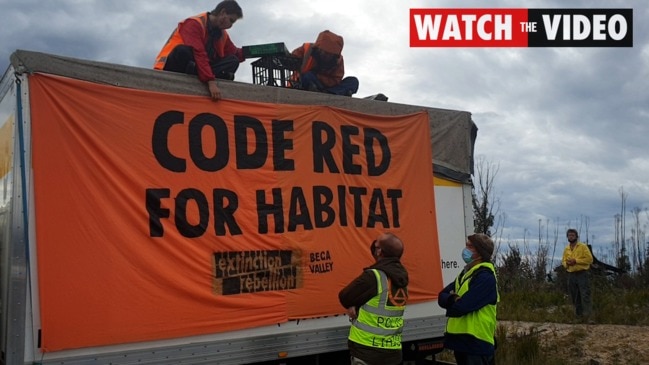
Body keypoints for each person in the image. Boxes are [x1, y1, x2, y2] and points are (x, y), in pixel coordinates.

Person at [338, 233, 408, 365]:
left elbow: (345, 297)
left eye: (376, 245)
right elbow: (379, 302)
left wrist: (356, 306)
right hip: (393, 351)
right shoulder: (401, 277)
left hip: (367, 351)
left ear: (380, 251)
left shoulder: (374, 276)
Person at [154, 0, 245, 101]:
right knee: (183, 51)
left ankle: (201, 75)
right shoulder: (194, 23)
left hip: (199, 69)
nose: (230, 26)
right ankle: (204, 76)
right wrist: (211, 82)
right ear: (222, 13)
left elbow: (235, 53)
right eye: (231, 20)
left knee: (233, 60)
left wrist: (257, 51)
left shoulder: (222, 34)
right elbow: (199, 53)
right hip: (176, 66)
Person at [438, 233, 499, 365]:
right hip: (463, 343)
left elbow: (462, 308)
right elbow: (441, 296)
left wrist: (452, 301)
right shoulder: (466, 274)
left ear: (480, 253)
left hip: (477, 344)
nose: (465, 249)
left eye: (470, 246)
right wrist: (453, 299)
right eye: (466, 245)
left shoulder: (485, 277)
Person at [290, 30, 359, 96]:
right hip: (310, 81)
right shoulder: (307, 48)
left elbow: (336, 80)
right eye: (325, 52)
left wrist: (319, 77)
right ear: (319, 48)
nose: (326, 56)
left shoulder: (339, 60)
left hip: (331, 88)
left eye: (330, 54)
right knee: (306, 76)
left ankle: (329, 93)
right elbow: (291, 58)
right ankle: (331, 93)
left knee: (353, 81)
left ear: (334, 55)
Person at [561, 228, 593, 320]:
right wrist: (567, 264)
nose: (571, 237)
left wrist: (576, 261)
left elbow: (590, 259)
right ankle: (578, 316)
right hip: (571, 274)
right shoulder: (566, 249)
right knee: (574, 295)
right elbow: (563, 260)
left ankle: (588, 317)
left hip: (582, 273)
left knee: (585, 294)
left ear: (576, 237)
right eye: (569, 235)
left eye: (573, 235)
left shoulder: (582, 246)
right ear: (567, 237)